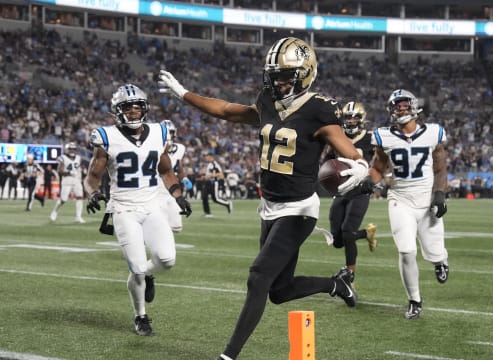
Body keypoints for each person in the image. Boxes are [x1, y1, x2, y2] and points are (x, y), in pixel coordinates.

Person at [159, 37, 370, 360]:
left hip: (299, 208)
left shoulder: (318, 109)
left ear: (306, 73)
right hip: (269, 207)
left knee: (258, 276)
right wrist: (183, 94)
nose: (279, 81)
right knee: (279, 291)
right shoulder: (268, 101)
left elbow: (346, 146)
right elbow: (228, 111)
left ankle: (228, 356)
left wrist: (360, 165)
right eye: (275, 75)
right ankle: (336, 284)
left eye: (287, 75)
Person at [83, 84, 192, 337]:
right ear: (117, 111)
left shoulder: (159, 132)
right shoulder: (106, 137)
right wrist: (94, 193)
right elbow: (92, 177)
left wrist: (178, 195)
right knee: (136, 267)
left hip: (152, 206)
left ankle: (148, 276)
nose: (133, 112)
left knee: (167, 260)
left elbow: (165, 170)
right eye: (127, 108)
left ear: (145, 109)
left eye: (137, 108)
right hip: (124, 208)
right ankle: (141, 316)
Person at [366, 89, 449, 320]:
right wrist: (368, 183)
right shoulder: (384, 136)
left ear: (414, 107)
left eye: (405, 105)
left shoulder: (433, 133)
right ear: (391, 110)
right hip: (399, 199)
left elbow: (440, 168)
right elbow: (377, 168)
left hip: (426, 200)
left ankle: (441, 261)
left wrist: (440, 194)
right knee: (406, 250)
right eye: (397, 105)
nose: (401, 109)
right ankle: (415, 300)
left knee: (434, 252)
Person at [314, 101, 377, 287]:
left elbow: (382, 162)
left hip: (360, 192)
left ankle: (350, 275)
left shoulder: (371, 138)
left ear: (362, 119)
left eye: (354, 117)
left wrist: (371, 180)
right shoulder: (336, 138)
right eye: (347, 117)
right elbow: (326, 163)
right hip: (341, 192)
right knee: (337, 240)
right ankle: (367, 233)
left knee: (348, 232)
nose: (350, 121)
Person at [157, 119, 187, 233]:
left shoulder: (180, 148)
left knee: (176, 227)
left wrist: (184, 178)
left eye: (171, 132)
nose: (169, 135)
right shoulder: (153, 148)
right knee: (159, 225)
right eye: (167, 132)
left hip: (172, 190)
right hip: (156, 191)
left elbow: (179, 166)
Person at [50, 142, 85, 223]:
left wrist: (82, 172)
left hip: (76, 180)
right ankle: (55, 211)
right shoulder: (63, 158)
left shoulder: (79, 158)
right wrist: (69, 173)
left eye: (74, 149)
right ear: (67, 149)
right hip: (67, 180)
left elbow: (80, 168)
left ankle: (78, 217)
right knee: (63, 199)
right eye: (70, 149)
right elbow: (59, 171)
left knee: (80, 197)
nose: (72, 151)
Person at [201, 152, 232, 217]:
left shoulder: (215, 164)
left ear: (210, 156)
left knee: (216, 199)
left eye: (207, 156)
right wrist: (205, 177)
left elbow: (221, 174)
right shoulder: (209, 164)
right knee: (204, 197)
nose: (206, 158)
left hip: (213, 183)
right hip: (208, 183)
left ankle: (227, 203)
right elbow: (208, 174)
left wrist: (211, 175)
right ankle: (207, 212)